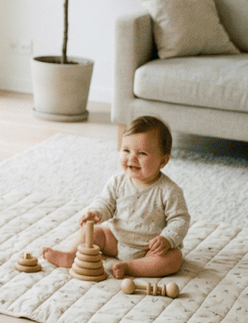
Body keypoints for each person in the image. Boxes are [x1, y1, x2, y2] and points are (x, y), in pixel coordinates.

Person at [43, 115, 190, 279]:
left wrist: (167, 238)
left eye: (142, 153)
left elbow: (180, 220)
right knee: (94, 232)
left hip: (149, 248)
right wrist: (96, 212)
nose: (131, 158)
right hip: (116, 241)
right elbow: (106, 203)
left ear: (162, 161)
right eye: (126, 150)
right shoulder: (117, 181)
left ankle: (131, 267)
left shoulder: (169, 190)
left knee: (174, 258)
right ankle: (72, 256)